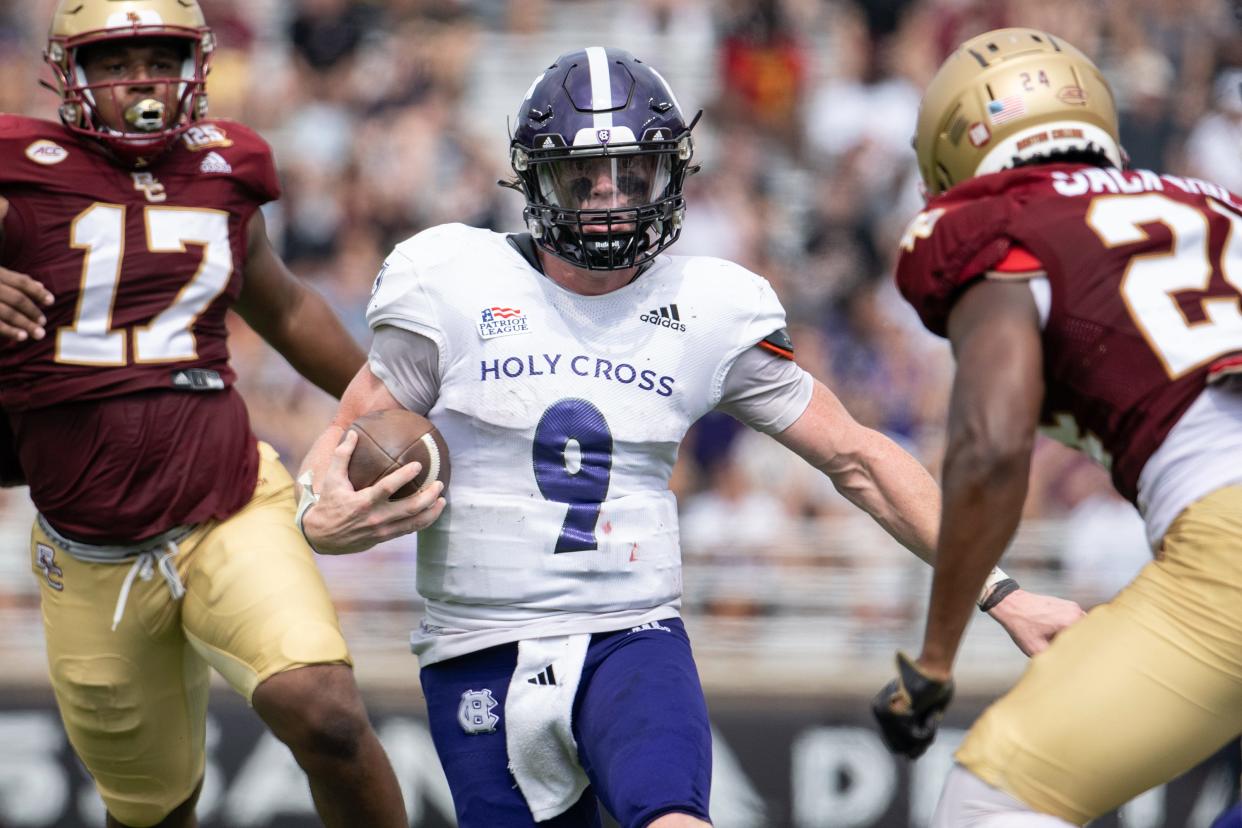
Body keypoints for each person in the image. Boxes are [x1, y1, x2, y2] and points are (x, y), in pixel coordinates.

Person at [297, 47, 1082, 828]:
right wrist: (318, 516)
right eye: (583, 176)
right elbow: (341, 442)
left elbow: (859, 458)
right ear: (535, 178)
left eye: (631, 173)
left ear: (669, 174)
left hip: (631, 637)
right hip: (477, 645)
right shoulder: (452, 279)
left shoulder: (709, 307)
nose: (608, 196)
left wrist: (1002, 592)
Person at [0, 2, 407, 826]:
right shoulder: (19, 167)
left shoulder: (227, 168)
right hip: (90, 548)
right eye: (115, 61)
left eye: (159, 55)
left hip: (226, 502)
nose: (141, 78)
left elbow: (286, 309)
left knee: (325, 713)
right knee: (155, 810)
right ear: (71, 75)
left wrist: (385, 401)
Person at [871, 26, 1242, 827]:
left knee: (989, 800)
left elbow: (991, 448)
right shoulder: (1218, 202)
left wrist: (934, 661)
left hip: (1228, 537)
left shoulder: (996, 223)